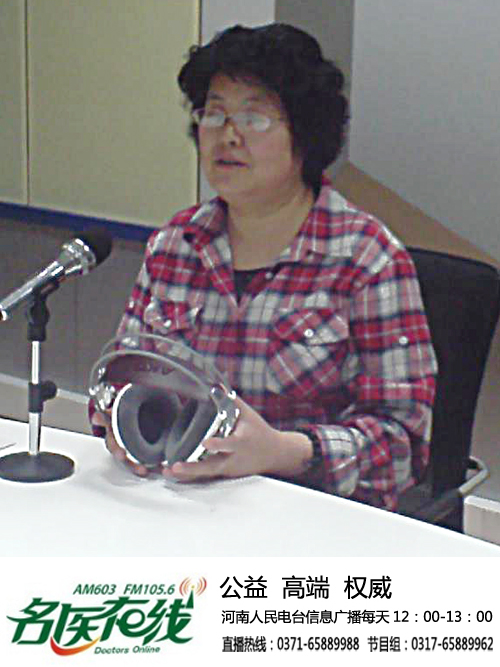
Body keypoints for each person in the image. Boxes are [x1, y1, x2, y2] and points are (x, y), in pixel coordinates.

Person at [91, 23, 437, 511]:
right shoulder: (174, 246)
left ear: (306, 134)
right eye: (214, 114)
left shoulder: (367, 260)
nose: (227, 135)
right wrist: (118, 421)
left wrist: (283, 452)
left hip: (309, 514)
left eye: (254, 117)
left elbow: (402, 444)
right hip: (179, 504)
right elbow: (120, 380)